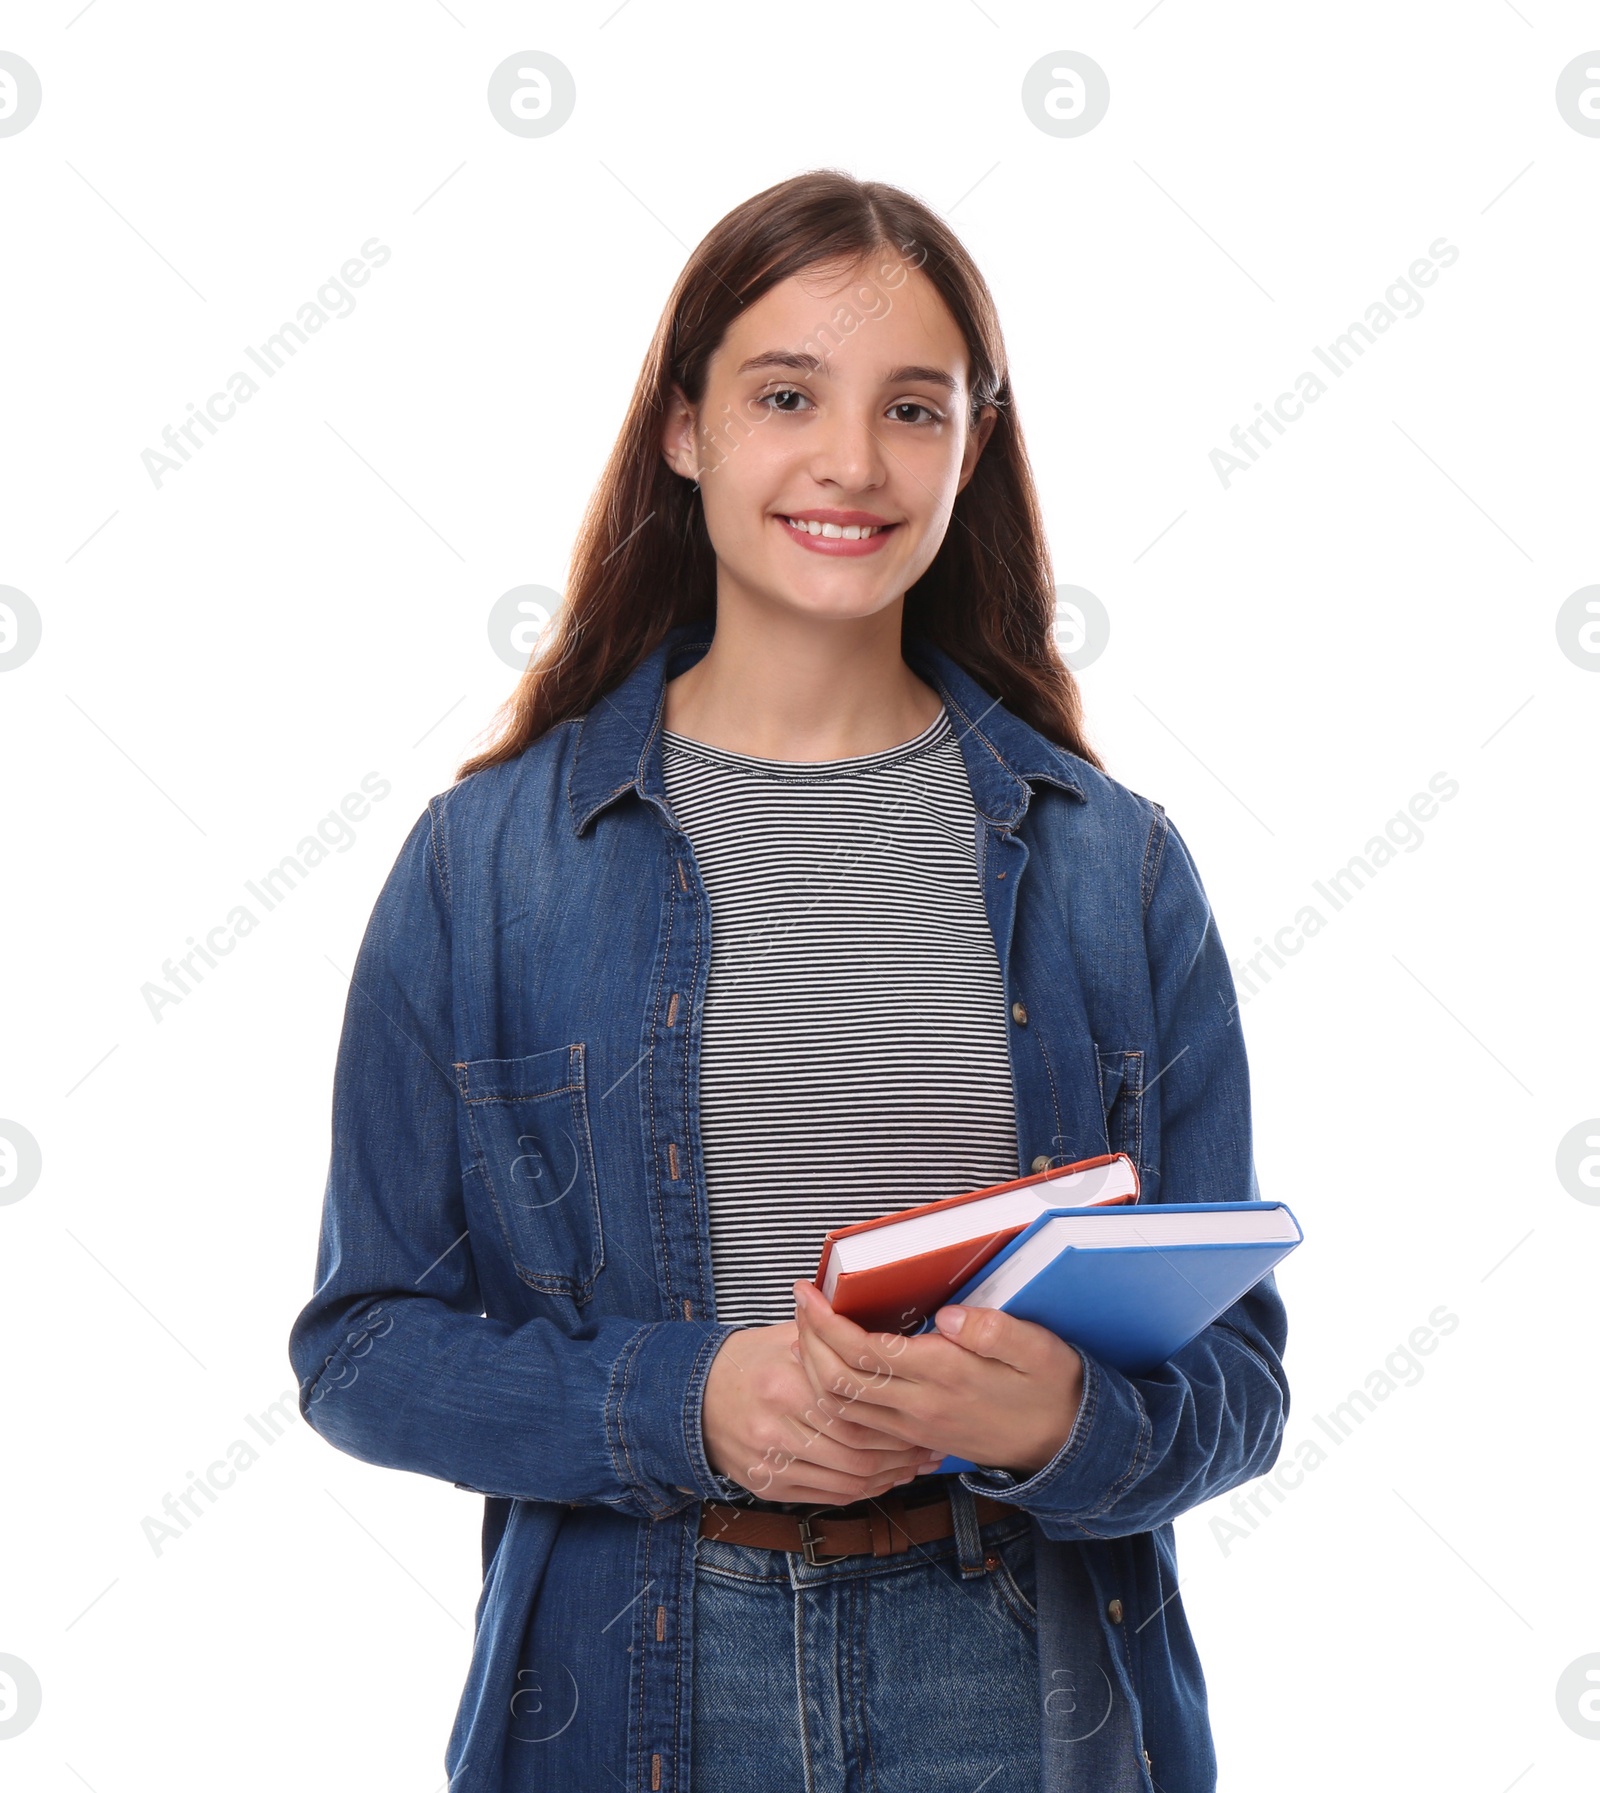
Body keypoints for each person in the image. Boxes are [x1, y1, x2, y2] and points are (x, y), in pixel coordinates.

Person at [288, 169, 1289, 1793]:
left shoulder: (1118, 866)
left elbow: (1238, 1379)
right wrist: (687, 1398)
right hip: (640, 1682)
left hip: (1017, 1674)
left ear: (976, 441)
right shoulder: (487, 863)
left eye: (913, 407)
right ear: (685, 428)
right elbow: (361, 1348)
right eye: (785, 395)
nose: (851, 461)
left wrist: (1054, 1423)